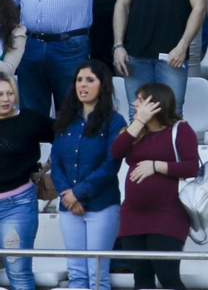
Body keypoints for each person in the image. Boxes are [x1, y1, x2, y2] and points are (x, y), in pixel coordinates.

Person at [110, 81, 199, 290]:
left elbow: (191, 167)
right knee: (141, 277)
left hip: (168, 215)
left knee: (167, 276)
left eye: (140, 100)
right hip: (133, 215)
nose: (134, 104)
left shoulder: (181, 129)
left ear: (156, 104)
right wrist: (138, 122)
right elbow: (115, 151)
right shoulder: (134, 131)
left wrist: (156, 166)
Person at [51, 60, 123, 290]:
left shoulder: (114, 121)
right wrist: (67, 195)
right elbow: (57, 162)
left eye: (90, 80)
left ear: (103, 86)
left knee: (97, 273)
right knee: (76, 274)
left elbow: (111, 164)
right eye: (79, 80)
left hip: (101, 206)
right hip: (69, 206)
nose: (83, 85)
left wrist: (78, 193)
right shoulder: (66, 120)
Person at [0, 72, 51, 290]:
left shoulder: (30, 119)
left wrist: (47, 167)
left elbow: (67, 137)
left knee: (18, 272)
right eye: (0, 94)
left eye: (10, 93)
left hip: (18, 204)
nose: (5, 99)